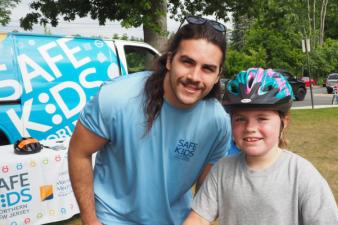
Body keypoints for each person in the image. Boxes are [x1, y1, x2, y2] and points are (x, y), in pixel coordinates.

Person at [68, 16, 232, 225]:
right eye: (187, 62)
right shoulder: (116, 97)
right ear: (170, 60)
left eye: (207, 68)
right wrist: (90, 220)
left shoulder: (218, 122)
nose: (195, 76)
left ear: (218, 75)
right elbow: (79, 152)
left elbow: (206, 193)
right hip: (111, 218)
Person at [183, 68, 338, 225]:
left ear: (284, 122)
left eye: (262, 118)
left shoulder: (301, 174)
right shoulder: (222, 171)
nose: (250, 128)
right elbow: (199, 218)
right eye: (240, 119)